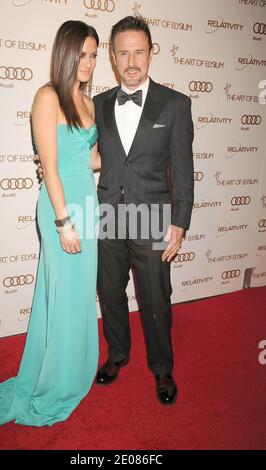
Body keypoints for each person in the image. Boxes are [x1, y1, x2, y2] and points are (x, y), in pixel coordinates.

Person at [0, 20, 101, 427]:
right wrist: (64, 222)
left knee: (78, 296)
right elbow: (51, 167)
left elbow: (91, 160)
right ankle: (52, 383)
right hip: (62, 207)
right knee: (61, 296)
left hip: (88, 203)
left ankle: (72, 370)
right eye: (81, 54)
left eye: (94, 55)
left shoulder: (88, 102)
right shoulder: (48, 97)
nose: (89, 62)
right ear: (65, 53)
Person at [94, 16, 194, 405]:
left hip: (154, 214)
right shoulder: (98, 104)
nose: (131, 60)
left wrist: (180, 222)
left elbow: (183, 169)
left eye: (139, 51)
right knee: (110, 291)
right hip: (108, 213)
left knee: (155, 296)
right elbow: (92, 156)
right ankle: (117, 354)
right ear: (112, 56)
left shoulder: (175, 104)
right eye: (123, 52)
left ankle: (162, 367)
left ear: (151, 52)